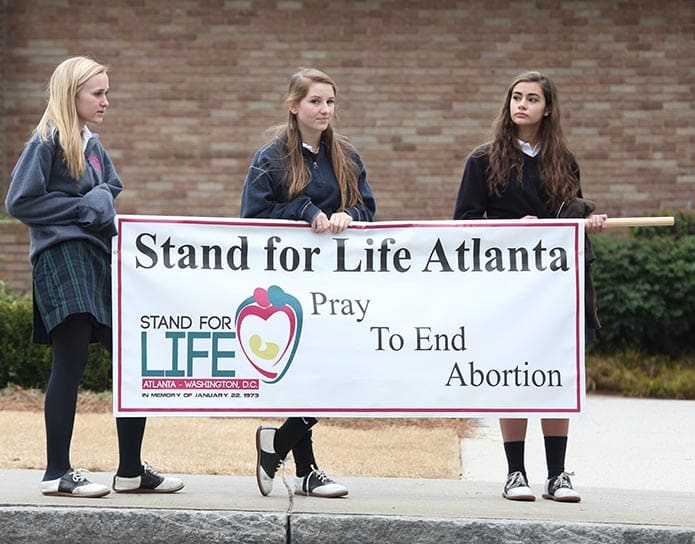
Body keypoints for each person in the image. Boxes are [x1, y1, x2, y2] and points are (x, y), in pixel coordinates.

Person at [5, 56, 184, 498]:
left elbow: (113, 187)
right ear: (73, 95)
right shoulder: (46, 141)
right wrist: (82, 207)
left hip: (100, 260)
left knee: (130, 360)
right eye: (98, 93)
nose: (106, 100)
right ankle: (56, 473)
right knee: (70, 362)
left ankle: (130, 471)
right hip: (62, 258)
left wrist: (100, 196)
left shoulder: (93, 145)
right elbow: (19, 201)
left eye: (107, 91)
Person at [453, 71, 607, 503]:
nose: (521, 104)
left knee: (555, 375)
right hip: (507, 284)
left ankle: (557, 475)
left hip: (555, 285)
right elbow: (464, 223)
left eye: (532, 98)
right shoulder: (483, 160)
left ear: (548, 109)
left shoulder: (565, 160)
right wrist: (508, 227)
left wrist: (586, 220)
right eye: (516, 97)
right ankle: (515, 473)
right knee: (515, 375)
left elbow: (568, 214)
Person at [240, 67, 376, 498]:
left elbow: (369, 210)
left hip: (337, 286)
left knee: (335, 369)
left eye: (330, 102)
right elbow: (252, 218)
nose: (324, 110)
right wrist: (303, 210)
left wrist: (348, 216)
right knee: (309, 372)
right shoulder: (271, 158)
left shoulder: (347, 157)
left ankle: (278, 444)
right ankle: (306, 471)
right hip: (286, 285)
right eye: (316, 101)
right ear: (294, 106)